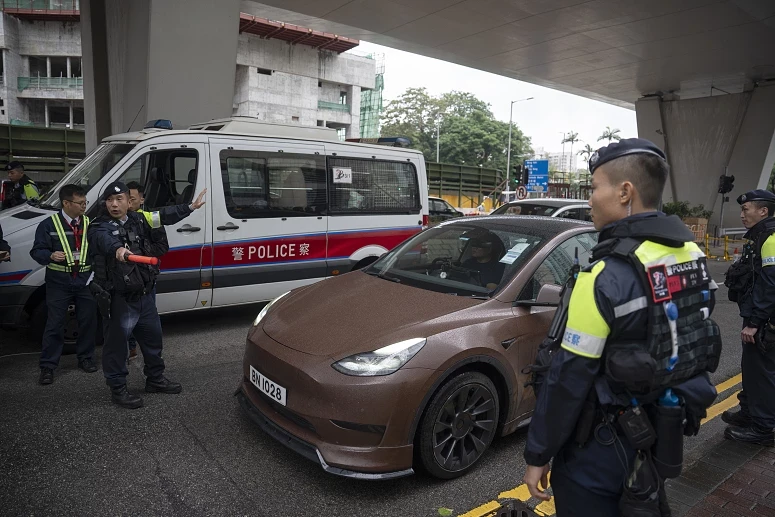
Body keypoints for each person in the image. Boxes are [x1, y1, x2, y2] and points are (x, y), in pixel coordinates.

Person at [522, 138, 721, 516]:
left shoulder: (603, 276)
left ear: (625, 191)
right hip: (661, 431)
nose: (591, 198)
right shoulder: (691, 255)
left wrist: (539, 453)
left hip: (599, 448)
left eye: (595, 187)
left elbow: (568, 378)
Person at [88, 181, 180, 409]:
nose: (114, 204)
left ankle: (155, 379)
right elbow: (104, 240)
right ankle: (118, 388)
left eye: (119, 200)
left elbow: (162, 217)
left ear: (130, 202)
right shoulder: (99, 226)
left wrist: (190, 208)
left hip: (145, 295)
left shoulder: (139, 220)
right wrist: (118, 249)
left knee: (153, 340)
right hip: (120, 298)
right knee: (117, 346)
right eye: (110, 200)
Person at [123, 181, 206, 360]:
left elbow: (162, 245)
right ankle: (129, 349)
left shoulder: (149, 218)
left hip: (145, 277)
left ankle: (152, 361)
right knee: (123, 319)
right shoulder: (113, 220)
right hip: (124, 279)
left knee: (148, 321)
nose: (127, 204)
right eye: (125, 199)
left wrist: (140, 254)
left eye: (132, 199)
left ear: (141, 199)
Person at [29, 184, 98, 385]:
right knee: (55, 324)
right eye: (80, 203)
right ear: (66, 203)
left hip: (85, 281)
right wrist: (49, 255)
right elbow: (36, 251)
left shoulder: (89, 223)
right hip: (59, 282)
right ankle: (48, 366)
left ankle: (86, 358)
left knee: (88, 321)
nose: (84, 206)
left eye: (85, 202)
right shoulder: (48, 225)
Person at [721, 189, 775, 445]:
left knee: (761, 371)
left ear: (763, 211)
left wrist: (755, 323)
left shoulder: (771, 238)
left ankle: (763, 428)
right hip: (759, 315)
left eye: (746, 209)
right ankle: (749, 412)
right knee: (751, 368)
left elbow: (770, 283)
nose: (742, 214)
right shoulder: (761, 235)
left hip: (764, 320)